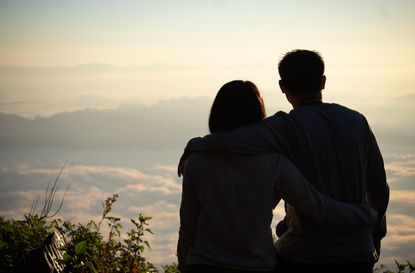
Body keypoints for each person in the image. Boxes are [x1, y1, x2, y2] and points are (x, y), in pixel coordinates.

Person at [178, 50, 389, 273]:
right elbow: (378, 189)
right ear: (322, 81)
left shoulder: (285, 127)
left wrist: (195, 145)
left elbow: (234, 137)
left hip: (305, 254)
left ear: (282, 86)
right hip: (358, 252)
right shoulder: (357, 121)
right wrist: (372, 231)